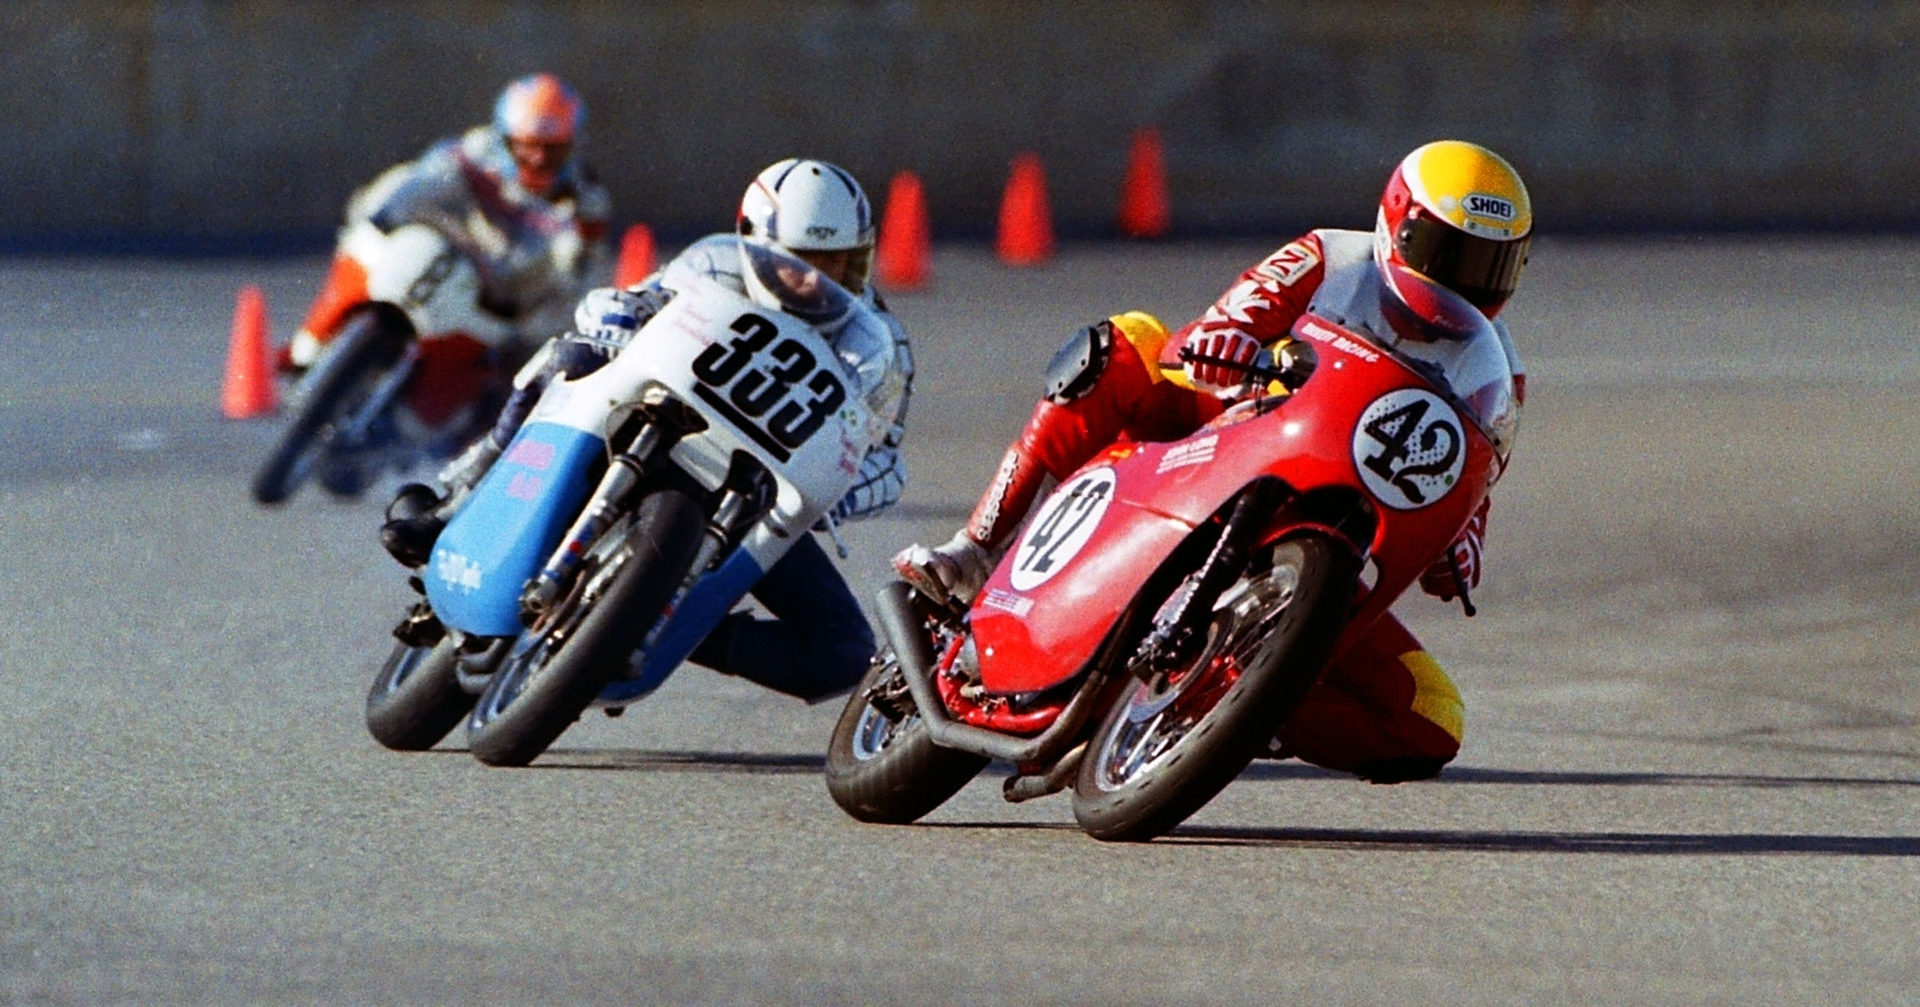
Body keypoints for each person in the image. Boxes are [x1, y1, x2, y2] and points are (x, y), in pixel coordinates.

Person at [893, 139, 1531, 784]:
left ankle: (1226, 705)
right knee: (1130, 341)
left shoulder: (1498, 365)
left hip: (1331, 521)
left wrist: (1463, 542)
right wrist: (1222, 344)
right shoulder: (1329, 258)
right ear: (1397, 222)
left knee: (1431, 717)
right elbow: (1220, 326)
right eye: (1445, 254)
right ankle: (976, 548)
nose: (1460, 281)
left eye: (1488, 265)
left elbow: (1477, 476)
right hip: (1228, 434)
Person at [382, 157, 913, 703]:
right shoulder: (714, 263)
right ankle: (458, 497)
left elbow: (888, 461)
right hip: (646, 418)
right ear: (754, 239)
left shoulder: (879, 346)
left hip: (751, 495)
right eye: (799, 260)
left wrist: (839, 492)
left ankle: (657, 626)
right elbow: (632, 300)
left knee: (845, 651)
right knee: (568, 355)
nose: (815, 280)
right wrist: (615, 317)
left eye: (838, 263)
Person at [281, 72, 612, 373]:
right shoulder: (475, 152)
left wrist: (529, 333)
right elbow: (419, 185)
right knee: (375, 219)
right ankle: (310, 344)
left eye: (551, 150)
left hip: (502, 306)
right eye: (527, 147)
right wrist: (382, 219)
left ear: (571, 146)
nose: (538, 160)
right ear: (506, 139)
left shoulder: (586, 202)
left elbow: (580, 284)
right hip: (454, 259)